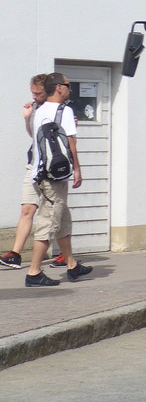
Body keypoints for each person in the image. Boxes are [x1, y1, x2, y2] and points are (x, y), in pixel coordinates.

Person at [25, 72, 89, 286]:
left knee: (62, 220)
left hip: (40, 173)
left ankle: (72, 265)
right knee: (49, 221)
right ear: (59, 88)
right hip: (54, 177)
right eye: (68, 86)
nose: (70, 89)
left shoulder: (39, 110)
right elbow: (71, 143)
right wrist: (77, 170)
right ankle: (33, 273)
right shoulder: (65, 111)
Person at [1, 74, 49, 269]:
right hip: (34, 164)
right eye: (33, 93)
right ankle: (15, 254)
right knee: (27, 208)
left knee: (56, 213)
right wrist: (27, 118)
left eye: (38, 93)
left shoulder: (58, 109)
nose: (35, 96)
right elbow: (34, 136)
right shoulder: (36, 107)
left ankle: (66, 253)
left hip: (50, 169)